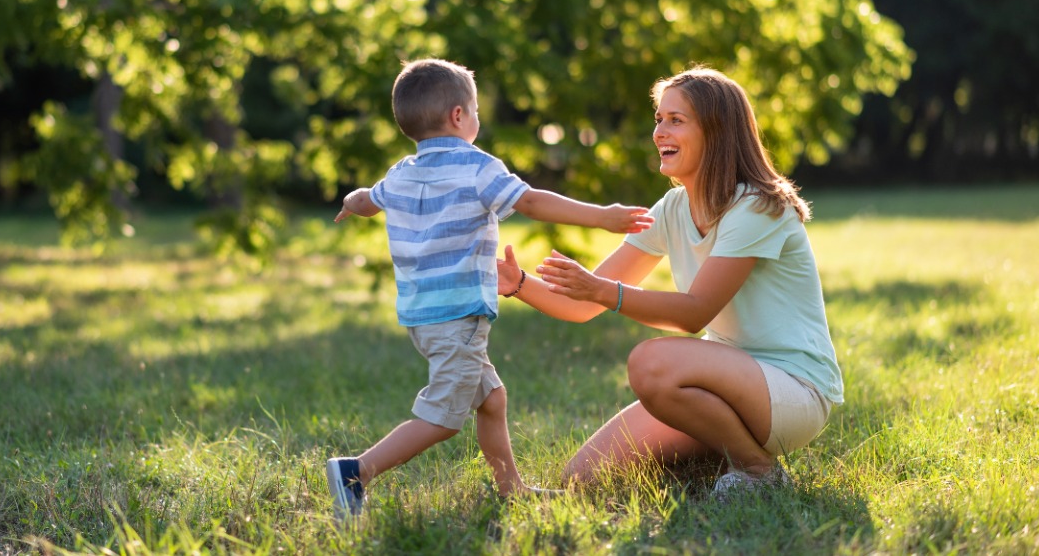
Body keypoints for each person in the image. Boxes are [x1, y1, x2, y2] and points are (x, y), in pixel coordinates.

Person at [327, 57, 654, 521]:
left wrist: (348, 202)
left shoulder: (401, 172)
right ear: (459, 116)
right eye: (476, 110)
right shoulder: (477, 167)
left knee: (492, 399)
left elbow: (366, 200)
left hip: (424, 317)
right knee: (441, 419)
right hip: (458, 316)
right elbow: (534, 202)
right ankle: (355, 471)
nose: (477, 119)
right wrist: (601, 216)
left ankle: (512, 489)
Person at [496, 66, 843, 499]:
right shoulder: (672, 208)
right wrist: (516, 282)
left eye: (676, 120)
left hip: (794, 391)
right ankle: (719, 456)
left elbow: (696, 313)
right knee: (580, 481)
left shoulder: (756, 207)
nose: (660, 131)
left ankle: (757, 468)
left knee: (651, 363)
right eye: (659, 119)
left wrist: (603, 291)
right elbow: (581, 305)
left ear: (716, 131)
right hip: (721, 387)